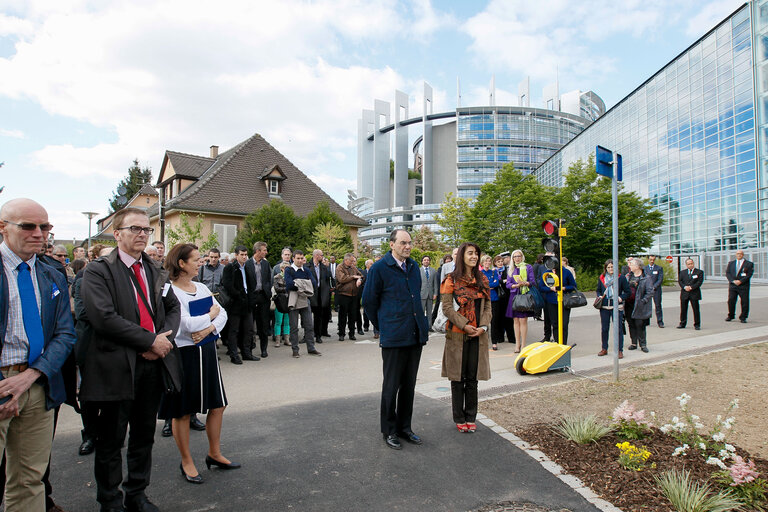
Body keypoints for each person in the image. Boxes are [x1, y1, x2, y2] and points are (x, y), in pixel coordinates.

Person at [80, 207, 181, 512]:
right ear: (117, 233)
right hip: (116, 368)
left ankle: (137, 493)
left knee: (142, 436)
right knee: (111, 441)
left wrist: (163, 341)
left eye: (146, 229)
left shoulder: (154, 269)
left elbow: (173, 309)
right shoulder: (99, 271)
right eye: (135, 229)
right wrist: (149, 341)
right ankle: (110, 500)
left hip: (152, 366)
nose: (142, 234)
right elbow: (103, 318)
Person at [0, 199, 76, 511]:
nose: (39, 233)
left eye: (44, 227)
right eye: (28, 226)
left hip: (38, 383)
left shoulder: (52, 274)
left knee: (29, 480)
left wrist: (30, 377)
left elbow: (65, 334)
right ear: (2, 228)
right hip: (2, 385)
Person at [159, 244, 239, 485]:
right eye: (195, 259)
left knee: (218, 405)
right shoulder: (169, 291)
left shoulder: (202, 287)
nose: (201, 262)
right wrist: (210, 317)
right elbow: (183, 325)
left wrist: (210, 327)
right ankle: (186, 461)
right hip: (183, 355)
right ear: (181, 263)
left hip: (206, 351)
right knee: (182, 411)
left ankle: (214, 453)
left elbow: (222, 313)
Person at [362, 229, 429, 450]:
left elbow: (415, 294)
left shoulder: (413, 266)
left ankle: (404, 428)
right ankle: (389, 430)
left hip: (414, 333)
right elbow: (369, 301)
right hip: (394, 335)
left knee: (409, 386)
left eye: (409, 243)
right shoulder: (380, 268)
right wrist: (383, 325)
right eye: (403, 243)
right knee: (391, 386)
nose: (407, 246)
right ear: (392, 244)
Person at [440, 243, 491, 433]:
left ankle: (471, 416)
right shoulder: (451, 279)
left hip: (478, 334)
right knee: (457, 378)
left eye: (476, 253)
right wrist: (465, 325)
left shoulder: (483, 279)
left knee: (472, 378)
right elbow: (446, 308)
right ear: (462, 256)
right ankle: (459, 417)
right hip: (458, 334)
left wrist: (483, 327)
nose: (474, 256)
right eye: (470, 253)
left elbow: (487, 307)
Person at [221, 246, 257, 364]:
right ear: (236, 255)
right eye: (242, 254)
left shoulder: (248, 267)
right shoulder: (230, 268)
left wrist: (250, 298)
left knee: (248, 329)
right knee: (234, 330)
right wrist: (239, 295)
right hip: (235, 304)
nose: (244, 257)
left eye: (246, 254)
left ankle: (246, 352)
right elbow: (228, 285)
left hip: (247, 303)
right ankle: (234, 355)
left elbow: (252, 283)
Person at [284, 251, 322, 358]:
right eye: (298, 258)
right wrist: (305, 284)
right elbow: (289, 285)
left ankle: (311, 348)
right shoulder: (289, 270)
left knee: (309, 325)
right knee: (294, 327)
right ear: (293, 258)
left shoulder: (306, 270)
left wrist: (298, 283)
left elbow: (314, 283)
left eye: (302, 258)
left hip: (305, 300)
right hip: (294, 300)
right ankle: (295, 350)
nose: (300, 260)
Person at [596, 260, 630, 359]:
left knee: (618, 329)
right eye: (609, 267)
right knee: (604, 328)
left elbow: (627, 292)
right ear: (606, 268)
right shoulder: (602, 278)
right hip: (605, 307)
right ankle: (604, 348)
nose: (611, 269)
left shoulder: (621, 278)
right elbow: (598, 290)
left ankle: (620, 350)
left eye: (612, 267)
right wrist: (599, 296)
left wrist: (620, 298)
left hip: (616, 307)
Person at [537, 261, 576, 344]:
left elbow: (573, 286)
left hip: (564, 301)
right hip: (551, 301)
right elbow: (541, 287)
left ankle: (563, 344)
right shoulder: (547, 273)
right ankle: (558, 343)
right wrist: (550, 288)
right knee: (555, 324)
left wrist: (564, 288)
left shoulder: (566, 272)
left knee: (564, 324)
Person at [246, 242, 272, 358]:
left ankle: (264, 349)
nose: (266, 252)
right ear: (257, 251)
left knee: (264, 324)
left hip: (263, 297)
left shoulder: (266, 264)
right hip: (251, 297)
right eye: (264, 250)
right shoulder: (247, 264)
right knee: (250, 324)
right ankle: (249, 347)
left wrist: (268, 291)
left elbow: (268, 279)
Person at [506, 249, 535, 353]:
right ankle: (517, 344)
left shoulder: (528, 267)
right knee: (516, 321)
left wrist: (525, 283)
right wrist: (515, 285)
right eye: (515, 256)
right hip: (514, 296)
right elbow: (508, 284)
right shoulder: (511, 269)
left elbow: (532, 282)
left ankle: (523, 344)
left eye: (518, 256)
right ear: (512, 259)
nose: (517, 258)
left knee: (523, 320)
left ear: (522, 257)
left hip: (524, 295)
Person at [625, 258, 653, 353]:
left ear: (637, 266)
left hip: (640, 305)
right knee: (631, 323)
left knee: (640, 324)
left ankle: (643, 344)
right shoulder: (628, 276)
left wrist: (643, 300)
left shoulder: (646, 277)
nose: (630, 266)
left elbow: (650, 291)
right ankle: (634, 343)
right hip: (629, 304)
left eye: (632, 264)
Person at [335, 253, 362, 341]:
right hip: (343, 294)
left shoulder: (353, 267)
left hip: (353, 294)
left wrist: (359, 279)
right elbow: (342, 279)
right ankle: (341, 334)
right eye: (351, 261)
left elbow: (361, 275)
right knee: (342, 315)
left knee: (352, 315)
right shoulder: (340, 267)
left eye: (353, 261)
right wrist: (353, 277)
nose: (352, 262)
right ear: (346, 260)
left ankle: (352, 334)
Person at [480, 255, 502, 350]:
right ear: (482, 262)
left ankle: (494, 342)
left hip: (494, 299)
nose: (488, 263)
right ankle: (484, 341)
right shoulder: (480, 273)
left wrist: (488, 285)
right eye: (486, 261)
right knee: (484, 321)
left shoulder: (493, 272)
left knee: (494, 321)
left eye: (489, 261)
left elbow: (496, 283)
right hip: (484, 299)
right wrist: (490, 285)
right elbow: (481, 285)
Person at [725, 249, 753, 323]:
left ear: (743, 255)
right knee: (731, 300)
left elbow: (749, 274)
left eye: (740, 254)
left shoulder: (749, 264)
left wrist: (741, 281)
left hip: (743, 286)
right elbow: (728, 273)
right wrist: (733, 281)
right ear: (736, 254)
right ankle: (731, 315)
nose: (739, 255)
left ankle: (743, 317)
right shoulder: (731, 263)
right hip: (733, 285)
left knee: (744, 301)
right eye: (737, 253)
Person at [678, 258, 703, 330]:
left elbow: (699, 282)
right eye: (689, 264)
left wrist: (691, 287)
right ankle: (682, 323)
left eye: (691, 263)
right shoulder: (682, 272)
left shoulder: (699, 272)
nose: (690, 265)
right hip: (684, 293)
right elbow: (680, 281)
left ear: (693, 263)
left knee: (696, 309)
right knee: (683, 309)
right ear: (686, 265)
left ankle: (697, 324)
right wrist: (684, 287)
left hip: (694, 293)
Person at [272, 262, 291, 347]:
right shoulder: (277, 277)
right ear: (282, 269)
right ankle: (277, 340)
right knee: (278, 321)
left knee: (287, 321)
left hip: (288, 301)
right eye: (286, 268)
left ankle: (287, 339)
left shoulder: (291, 277)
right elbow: (276, 288)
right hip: (280, 301)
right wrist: (286, 288)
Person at [644, 255, 664, 328]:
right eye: (650, 259)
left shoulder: (659, 268)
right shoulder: (645, 268)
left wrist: (654, 287)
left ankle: (660, 321)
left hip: (656, 290)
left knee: (658, 306)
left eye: (653, 259)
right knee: (646, 306)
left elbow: (660, 279)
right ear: (648, 260)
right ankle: (646, 321)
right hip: (647, 290)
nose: (652, 261)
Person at [419, 256, 438, 328]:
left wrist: (435, 293)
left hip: (430, 294)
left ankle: (429, 326)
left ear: (429, 261)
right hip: (421, 294)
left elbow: (435, 283)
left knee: (429, 312)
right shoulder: (418, 270)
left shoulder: (433, 271)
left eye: (427, 260)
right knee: (421, 312)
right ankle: (421, 327)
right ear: (422, 261)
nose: (426, 261)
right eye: (425, 260)